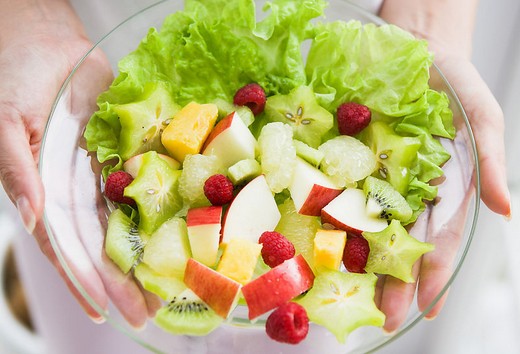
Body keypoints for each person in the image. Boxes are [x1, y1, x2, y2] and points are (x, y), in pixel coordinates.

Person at [0, 0, 511, 351]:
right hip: (100, 39)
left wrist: (425, 24)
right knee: (99, 318)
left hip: (375, 24)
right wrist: (30, 19)